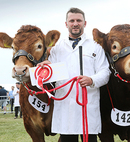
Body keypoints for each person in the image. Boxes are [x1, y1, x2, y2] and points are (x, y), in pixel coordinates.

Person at [37, 7, 110, 142]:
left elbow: (105, 72)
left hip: (87, 106)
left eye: (78, 20)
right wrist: (46, 67)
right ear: (66, 24)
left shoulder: (95, 47)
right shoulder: (57, 49)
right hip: (65, 108)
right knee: (66, 138)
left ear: (85, 23)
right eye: (71, 21)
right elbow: (51, 74)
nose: (75, 23)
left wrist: (91, 80)